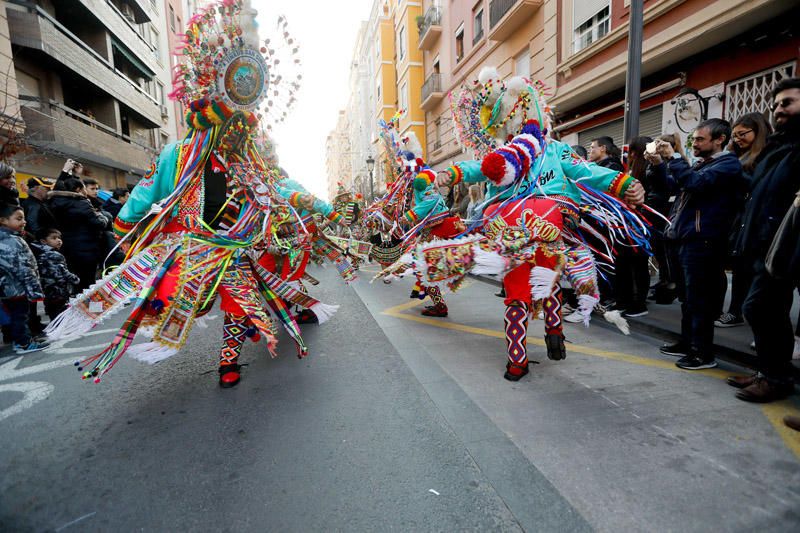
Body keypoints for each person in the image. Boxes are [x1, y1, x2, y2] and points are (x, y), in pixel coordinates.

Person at [649, 118, 745, 370]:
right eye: (694, 139)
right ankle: (688, 342)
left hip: (704, 240)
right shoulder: (705, 163)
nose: (695, 143)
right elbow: (676, 186)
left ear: (719, 140)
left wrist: (676, 158)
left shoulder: (728, 164)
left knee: (700, 299)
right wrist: (661, 164)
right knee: (688, 298)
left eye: (701, 139)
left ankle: (702, 353)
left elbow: (695, 184)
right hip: (685, 238)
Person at [727, 78, 800, 402]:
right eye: (776, 104)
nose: (779, 109)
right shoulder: (779, 146)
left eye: (788, 102)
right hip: (769, 246)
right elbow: (760, 194)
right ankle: (770, 374)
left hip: (790, 246)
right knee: (766, 310)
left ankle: (775, 377)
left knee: (757, 307)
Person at [715, 112, 773, 328]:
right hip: (739, 221)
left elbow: (758, 187)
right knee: (741, 270)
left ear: (757, 131)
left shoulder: (767, 155)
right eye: (735, 136)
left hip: (760, 221)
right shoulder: (735, 156)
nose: (737, 139)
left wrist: (736, 172)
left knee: (761, 276)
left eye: (742, 134)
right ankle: (735, 311)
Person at [612, 136, 653, 318]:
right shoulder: (631, 171)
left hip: (638, 226)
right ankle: (624, 300)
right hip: (625, 225)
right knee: (624, 265)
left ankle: (638, 303)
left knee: (637, 265)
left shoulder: (649, 171)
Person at [0, 204, 48, 354]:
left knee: (16, 315)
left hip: (7, 287)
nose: (24, 221)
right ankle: (23, 343)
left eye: (24, 218)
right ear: (3, 220)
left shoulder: (9, 238)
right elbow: (23, 268)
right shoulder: (12, 241)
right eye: (18, 218)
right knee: (20, 316)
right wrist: (34, 290)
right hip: (17, 287)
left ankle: (21, 339)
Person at [47, 177, 109, 290]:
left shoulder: (54, 203)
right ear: (78, 189)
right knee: (88, 282)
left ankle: (76, 303)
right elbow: (99, 223)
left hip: (67, 247)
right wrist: (103, 217)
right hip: (86, 248)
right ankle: (87, 305)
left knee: (75, 280)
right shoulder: (81, 203)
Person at [30, 228, 80, 320]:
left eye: (59, 238)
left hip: (46, 289)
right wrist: (74, 279)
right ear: (43, 241)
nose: (58, 240)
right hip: (57, 290)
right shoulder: (54, 255)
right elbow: (60, 273)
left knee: (52, 310)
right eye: (54, 238)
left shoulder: (38, 253)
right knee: (59, 313)